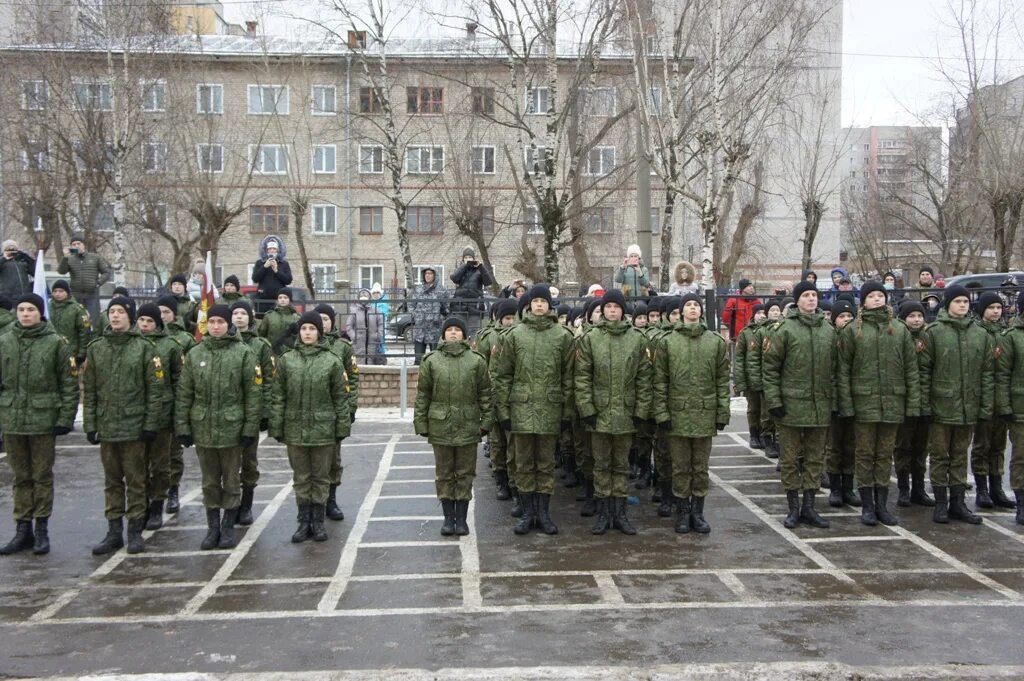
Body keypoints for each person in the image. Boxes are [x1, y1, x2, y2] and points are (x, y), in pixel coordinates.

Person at [176, 305, 261, 550]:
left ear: (228, 325)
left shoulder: (243, 353)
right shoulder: (195, 354)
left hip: (232, 427)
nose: (215, 326)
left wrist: (249, 428)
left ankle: (227, 527)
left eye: (220, 322)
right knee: (210, 481)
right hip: (203, 427)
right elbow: (185, 393)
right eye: (211, 321)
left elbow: (252, 395)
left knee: (232, 480)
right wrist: (183, 426)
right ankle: (212, 528)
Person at [492, 284, 574, 535]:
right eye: (535, 301)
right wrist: (504, 413)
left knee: (545, 463)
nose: (539, 305)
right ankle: (528, 513)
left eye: (544, 301)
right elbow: (502, 377)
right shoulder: (514, 335)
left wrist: (566, 413)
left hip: (550, 409)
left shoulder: (562, 336)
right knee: (524, 464)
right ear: (528, 305)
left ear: (550, 305)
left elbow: (569, 378)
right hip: (521, 410)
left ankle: (544, 513)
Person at [0, 293, 78, 555]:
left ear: (40, 312)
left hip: (44, 419)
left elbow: (68, 384)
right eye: (20, 309)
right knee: (20, 477)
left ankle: (42, 528)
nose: (24, 314)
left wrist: (65, 418)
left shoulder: (56, 343)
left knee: (41, 476)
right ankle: (23, 529)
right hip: (13, 419)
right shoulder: (5, 341)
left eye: (30, 309)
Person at [85, 297, 164, 555]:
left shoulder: (143, 348)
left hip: (134, 426)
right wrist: (90, 423)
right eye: (112, 312)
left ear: (130, 316)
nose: (115, 316)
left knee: (137, 480)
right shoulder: (97, 348)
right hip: (108, 425)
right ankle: (114, 531)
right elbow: (91, 390)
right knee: (112, 481)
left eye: (120, 312)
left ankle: (135, 531)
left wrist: (150, 424)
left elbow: (154, 390)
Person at [837, 282, 920, 526]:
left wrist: (912, 405)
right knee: (864, 454)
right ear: (863, 301)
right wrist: (847, 405)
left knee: (884, 455)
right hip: (864, 403)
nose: (876, 299)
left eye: (880, 295)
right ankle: (868, 506)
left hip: (893, 402)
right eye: (871, 296)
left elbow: (911, 370)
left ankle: (882, 505)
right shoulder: (853, 330)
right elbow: (843, 371)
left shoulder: (899, 330)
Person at [575, 290, 652, 535]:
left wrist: (640, 410)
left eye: (616, 307)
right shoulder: (591, 338)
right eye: (607, 307)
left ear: (622, 310)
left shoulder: (637, 339)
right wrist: (587, 409)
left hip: (625, 413)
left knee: (620, 465)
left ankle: (620, 514)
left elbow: (644, 377)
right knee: (600, 464)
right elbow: (582, 377)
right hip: (598, 413)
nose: (611, 311)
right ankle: (604, 513)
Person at [652, 293, 730, 534]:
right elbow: (660, 381)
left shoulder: (715, 342)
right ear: (681, 311)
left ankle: (698, 512)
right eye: (689, 305)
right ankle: (683, 511)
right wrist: (662, 413)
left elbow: (721, 380)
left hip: (704, 414)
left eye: (696, 305)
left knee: (700, 466)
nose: (693, 309)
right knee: (680, 466)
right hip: (678, 414)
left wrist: (722, 412)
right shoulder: (668, 342)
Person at [270, 311, 350, 543]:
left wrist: (341, 428)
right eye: (304, 329)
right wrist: (277, 426)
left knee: (321, 477)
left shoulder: (332, 361)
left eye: (312, 329)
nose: (307, 333)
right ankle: (304, 522)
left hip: (323, 430)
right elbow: (279, 396)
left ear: (320, 332)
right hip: (295, 429)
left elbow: (340, 398)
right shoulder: (287, 360)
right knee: (301, 477)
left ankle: (318, 522)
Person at [762, 280, 836, 530]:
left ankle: (810, 507)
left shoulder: (828, 330)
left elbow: (836, 371)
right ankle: (793, 507)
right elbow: (770, 369)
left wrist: (835, 401)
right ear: (797, 300)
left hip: (819, 407)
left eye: (814, 295)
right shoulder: (784, 329)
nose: (811, 299)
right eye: (806, 295)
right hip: (791, 407)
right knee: (791, 459)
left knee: (816, 459)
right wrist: (775, 401)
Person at [919, 285, 995, 525]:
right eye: (957, 301)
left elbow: (987, 373)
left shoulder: (980, 335)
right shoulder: (933, 332)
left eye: (965, 301)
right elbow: (923, 373)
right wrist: (925, 406)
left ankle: (958, 503)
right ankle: (941, 504)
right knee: (940, 456)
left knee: (960, 455)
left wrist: (984, 406)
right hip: (941, 407)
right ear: (947, 304)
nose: (962, 305)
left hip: (967, 407)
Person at [415, 317, 492, 536]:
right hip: (441, 426)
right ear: (443, 334)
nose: (454, 333)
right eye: (449, 330)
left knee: (465, 473)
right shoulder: (431, 361)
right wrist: (421, 423)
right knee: (445, 474)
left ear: (465, 335)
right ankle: (448, 519)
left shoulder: (476, 361)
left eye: (458, 330)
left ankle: (462, 519)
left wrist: (486, 423)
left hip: (468, 426)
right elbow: (423, 395)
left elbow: (485, 394)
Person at [134, 303, 184, 532]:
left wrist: (177, 414)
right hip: (134, 414)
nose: (144, 325)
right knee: (137, 466)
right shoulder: (131, 344)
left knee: (160, 463)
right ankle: (140, 506)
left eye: (149, 321)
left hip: (163, 414)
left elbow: (179, 383)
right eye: (141, 320)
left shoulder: (171, 346)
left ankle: (158, 504)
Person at [230, 301, 275, 525]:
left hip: (251, 413)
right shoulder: (221, 345)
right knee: (227, 465)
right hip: (226, 416)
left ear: (250, 318)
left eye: (243, 314)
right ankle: (230, 504)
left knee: (248, 461)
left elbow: (269, 380)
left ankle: (246, 505)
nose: (239, 317)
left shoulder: (260, 346)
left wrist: (265, 412)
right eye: (235, 313)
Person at [969, 292, 1015, 510]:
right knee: (981, 445)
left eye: (999, 307)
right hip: (982, 397)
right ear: (982, 310)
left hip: (1003, 398)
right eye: (991, 308)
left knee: (998, 446)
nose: (996, 311)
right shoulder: (976, 333)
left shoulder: (1006, 333)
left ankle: (997, 488)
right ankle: (982, 489)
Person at [316, 303, 359, 521]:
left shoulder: (342, 347)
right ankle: (312, 504)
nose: (322, 323)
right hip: (310, 414)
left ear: (333, 321)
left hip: (334, 413)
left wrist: (350, 407)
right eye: (319, 318)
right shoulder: (301, 348)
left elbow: (352, 378)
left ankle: (330, 501)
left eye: (326, 318)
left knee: (333, 459)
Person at [474, 299, 518, 502]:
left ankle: (515, 484)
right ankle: (502, 481)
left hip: (516, 398)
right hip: (494, 396)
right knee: (497, 441)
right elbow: (479, 366)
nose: (510, 321)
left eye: (513, 317)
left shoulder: (519, 336)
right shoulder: (488, 337)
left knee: (515, 445)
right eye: (507, 318)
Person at [156, 294, 195, 515]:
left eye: (166, 312)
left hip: (173, 403)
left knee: (172, 452)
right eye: (159, 312)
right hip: (152, 406)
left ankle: (173, 490)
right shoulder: (146, 338)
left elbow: (187, 376)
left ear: (174, 314)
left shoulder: (185, 340)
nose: (162, 316)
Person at [894, 301, 935, 508]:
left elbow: (932, 371)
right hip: (904, 403)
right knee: (903, 447)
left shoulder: (929, 338)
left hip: (925, 403)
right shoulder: (898, 337)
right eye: (912, 316)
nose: (916, 320)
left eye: (920, 316)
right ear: (903, 318)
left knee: (921, 449)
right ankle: (903, 488)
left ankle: (919, 488)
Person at [826, 297, 859, 508]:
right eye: (842, 316)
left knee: (851, 445)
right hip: (833, 399)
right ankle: (835, 487)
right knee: (834, 446)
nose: (846, 320)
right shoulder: (829, 338)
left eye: (849, 316)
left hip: (855, 398)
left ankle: (848, 486)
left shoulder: (858, 337)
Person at [994, 290, 1024, 525]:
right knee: (1021, 457)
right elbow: (1002, 374)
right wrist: (1004, 405)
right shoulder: (1012, 337)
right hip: (1019, 407)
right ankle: (1022, 502)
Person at [57, 232, 111, 326]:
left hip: (92, 294)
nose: (76, 246)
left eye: (78, 244)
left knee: (94, 321)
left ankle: (94, 337)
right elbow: (61, 271)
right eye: (74, 244)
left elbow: (106, 272)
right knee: (76, 320)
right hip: (76, 295)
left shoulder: (95, 257)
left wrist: (97, 283)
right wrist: (65, 257)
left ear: (84, 245)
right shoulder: (70, 259)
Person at [735, 304, 766, 448]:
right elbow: (739, 358)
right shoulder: (746, 333)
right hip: (751, 378)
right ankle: (754, 434)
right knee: (754, 409)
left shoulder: (771, 331)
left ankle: (765, 435)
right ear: (753, 315)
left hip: (766, 378)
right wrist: (740, 381)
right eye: (759, 312)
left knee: (766, 411)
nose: (762, 315)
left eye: (764, 312)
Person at [410, 266, 450, 364]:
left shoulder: (441, 290)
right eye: (426, 273)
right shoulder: (418, 289)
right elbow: (411, 304)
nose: (427, 275)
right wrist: (415, 315)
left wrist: (440, 317)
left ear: (435, 275)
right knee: (418, 360)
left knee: (436, 359)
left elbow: (447, 307)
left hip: (435, 329)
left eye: (430, 273)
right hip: (420, 328)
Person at [48, 280, 92, 366]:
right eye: (55, 291)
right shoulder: (48, 308)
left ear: (67, 293)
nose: (57, 294)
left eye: (61, 291)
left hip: (70, 353)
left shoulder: (77, 309)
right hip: (50, 351)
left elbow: (84, 332)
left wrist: (81, 353)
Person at [450, 247, 493, 335]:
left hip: (475, 307)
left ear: (474, 258)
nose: (468, 259)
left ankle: (473, 348)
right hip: (460, 306)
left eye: (470, 257)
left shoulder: (479, 270)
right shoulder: (460, 269)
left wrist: (481, 267)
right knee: (460, 331)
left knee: (474, 331)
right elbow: (454, 278)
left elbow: (488, 282)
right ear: (463, 259)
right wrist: (465, 266)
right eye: (466, 258)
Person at [251, 236, 293, 316]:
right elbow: (255, 279)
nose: (272, 251)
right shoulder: (260, 263)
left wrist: (277, 271)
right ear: (266, 250)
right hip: (262, 300)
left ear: (278, 250)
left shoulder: (284, 263)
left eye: (274, 249)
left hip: (278, 300)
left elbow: (288, 280)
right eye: (270, 249)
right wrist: (264, 267)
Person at [344, 289, 386, 365]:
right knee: (357, 364)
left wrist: (378, 335)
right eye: (361, 296)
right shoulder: (354, 311)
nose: (363, 297)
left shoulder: (376, 310)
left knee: (371, 363)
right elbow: (349, 326)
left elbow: (381, 324)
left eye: (365, 295)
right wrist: (354, 336)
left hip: (372, 342)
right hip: (358, 343)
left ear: (369, 297)